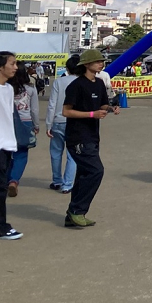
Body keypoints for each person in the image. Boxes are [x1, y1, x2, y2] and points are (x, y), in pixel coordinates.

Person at [62, 48, 120, 228]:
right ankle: (77, 210)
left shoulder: (99, 83)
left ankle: (72, 216)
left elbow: (102, 103)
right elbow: (66, 111)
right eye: (97, 61)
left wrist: (110, 108)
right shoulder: (76, 85)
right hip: (78, 136)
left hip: (93, 135)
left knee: (84, 173)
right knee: (96, 171)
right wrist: (91, 114)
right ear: (86, 64)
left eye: (102, 61)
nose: (101, 63)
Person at [0, 51, 22, 239]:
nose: (15, 67)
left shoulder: (9, 89)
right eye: (12, 63)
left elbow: (7, 116)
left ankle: (1, 226)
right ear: (0, 66)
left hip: (6, 144)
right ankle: (2, 227)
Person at [46, 54, 79, 194]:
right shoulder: (82, 82)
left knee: (56, 152)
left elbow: (52, 104)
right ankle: (68, 184)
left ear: (67, 68)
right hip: (75, 121)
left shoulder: (59, 82)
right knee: (72, 155)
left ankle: (57, 180)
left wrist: (48, 123)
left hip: (58, 121)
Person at [6, 64, 39, 196]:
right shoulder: (30, 89)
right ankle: (13, 181)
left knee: (6, 154)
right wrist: (36, 125)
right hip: (25, 122)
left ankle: (5, 179)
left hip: (7, 123)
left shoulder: (5, 88)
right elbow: (34, 110)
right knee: (21, 154)